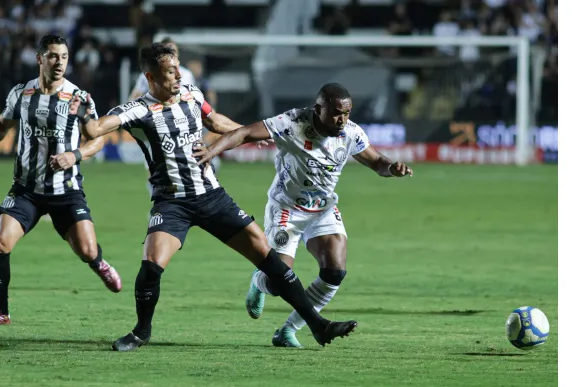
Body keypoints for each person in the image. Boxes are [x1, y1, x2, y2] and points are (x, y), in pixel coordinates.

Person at [70, 42, 358, 351]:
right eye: (170, 73)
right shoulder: (137, 109)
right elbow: (95, 130)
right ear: (150, 77)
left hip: (211, 195)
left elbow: (216, 121)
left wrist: (247, 134)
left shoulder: (192, 95)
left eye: (178, 69)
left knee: (266, 255)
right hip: (172, 201)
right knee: (152, 262)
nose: (178, 76)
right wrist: (84, 110)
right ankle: (141, 332)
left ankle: (318, 326)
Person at [195, 83, 413, 348]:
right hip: (287, 207)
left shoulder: (351, 132)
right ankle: (259, 280)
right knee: (277, 283)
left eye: (346, 113)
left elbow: (377, 162)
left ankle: (288, 330)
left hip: (322, 209)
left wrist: (393, 168)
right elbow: (243, 133)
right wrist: (211, 151)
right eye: (336, 113)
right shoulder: (293, 122)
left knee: (335, 271)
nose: (342, 119)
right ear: (318, 109)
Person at [0, 35, 122, 327]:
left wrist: (74, 155)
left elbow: (98, 140)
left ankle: (98, 262)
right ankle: (1, 312)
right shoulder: (21, 94)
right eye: (53, 56)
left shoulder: (79, 98)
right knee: (0, 241)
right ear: (40, 59)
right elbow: (3, 125)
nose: (59, 62)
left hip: (66, 191)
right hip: (27, 189)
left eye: (63, 56)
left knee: (87, 249)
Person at [127, 37, 221, 195]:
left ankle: (199, 193)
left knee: (201, 163)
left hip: (184, 127)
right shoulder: (150, 75)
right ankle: (159, 203)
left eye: (174, 52)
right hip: (159, 127)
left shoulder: (185, 74)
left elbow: (191, 101)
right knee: (157, 169)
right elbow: (134, 97)